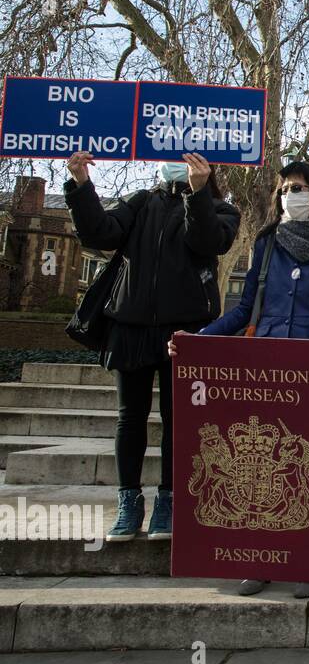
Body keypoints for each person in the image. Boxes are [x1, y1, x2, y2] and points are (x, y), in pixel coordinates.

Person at [175, 160, 309, 598]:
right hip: (267, 368)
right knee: (259, 464)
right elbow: (244, 311)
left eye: (297, 187)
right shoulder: (267, 243)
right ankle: (257, 559)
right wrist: (200, 339)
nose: (288, 194)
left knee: (306, 467)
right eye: (284, 188)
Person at [64, 150, 240, 542]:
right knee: (130, 418)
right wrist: (80, 186)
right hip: (131, 326)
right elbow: (100, 233)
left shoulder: (219, 208)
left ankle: (169, 499)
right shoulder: (141, 201)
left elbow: (207, 241)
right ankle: (129, 500)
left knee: (179, 420)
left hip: (187, 330)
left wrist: (196, 194)